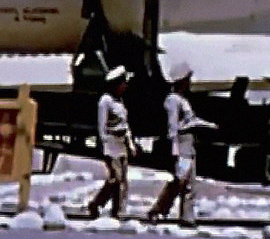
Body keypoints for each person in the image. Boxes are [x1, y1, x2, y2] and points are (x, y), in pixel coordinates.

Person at [147, 61, 213, 227]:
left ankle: (187, 217)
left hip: (189, 146)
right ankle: (158, 209)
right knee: (179, 181)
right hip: (181, 145)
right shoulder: (172, 100)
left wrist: (208, 125)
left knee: (189, 184)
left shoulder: (183, 100)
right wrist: (174, 148)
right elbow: (173, 126)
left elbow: (192, 120)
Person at [87, 65, 136, 219]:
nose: (125, 86)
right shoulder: (105, 101)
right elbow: (102, 125)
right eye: (123, 83)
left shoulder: (120, 102)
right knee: (116, 177)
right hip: (111, 145)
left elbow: (125, 124)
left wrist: (131, 144)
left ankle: (117, 210)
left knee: (121, 181)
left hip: (121, 145)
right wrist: (104, 143)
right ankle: (97, 204)